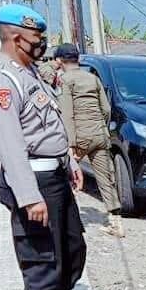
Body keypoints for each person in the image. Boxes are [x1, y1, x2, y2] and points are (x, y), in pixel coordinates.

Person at [0, 4, 89, 290]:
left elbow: (52, 127)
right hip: (35, 182)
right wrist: (28, 196)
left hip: (55, 174)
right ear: (15, 37)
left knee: (72, 249)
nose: (42, 44)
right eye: (36, 38)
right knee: (41, 255)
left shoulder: (31, 74)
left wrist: (69, 160)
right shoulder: (3, 80)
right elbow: (11, 146)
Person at [54, 43, 124, 238]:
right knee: (106, 179)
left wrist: (70, 143)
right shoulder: (92, 78)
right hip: (100, 135)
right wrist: (102, 128)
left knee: (65, 176)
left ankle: (66, 221)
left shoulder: (65, 80)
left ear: (60, 60)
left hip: (78, 136)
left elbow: (67, 113)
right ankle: (116, 222)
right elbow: (107, 109)